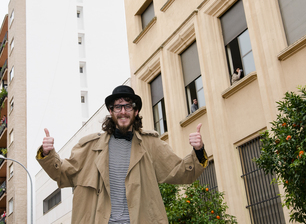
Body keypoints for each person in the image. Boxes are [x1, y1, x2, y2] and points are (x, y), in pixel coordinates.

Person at [36, 85, 208, 224]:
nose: (123, 111)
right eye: (118, 106)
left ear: (136, 111)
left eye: (128, 106)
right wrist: (48, 154)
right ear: (111, 112)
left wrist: (198, 151)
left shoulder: (151, 144)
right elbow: (63, 174)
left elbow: (180, 172)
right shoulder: (89, 147)